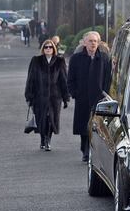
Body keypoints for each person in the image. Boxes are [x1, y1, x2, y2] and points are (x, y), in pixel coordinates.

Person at [67, 31, 112, 162]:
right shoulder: (76, 58)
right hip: (82, 98)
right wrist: (74, 93)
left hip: (99, 99)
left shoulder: (103, 58)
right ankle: (85, 151)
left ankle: (95, 151)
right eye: (90, 41)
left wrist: (105, 93)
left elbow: (108, 78)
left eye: (95, 41)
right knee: (83, 127)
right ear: (85, 43)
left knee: (97, 126)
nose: (93, 44)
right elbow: (70, 79)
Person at [25, 39, 70, 151]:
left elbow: (64, 80)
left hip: (55, 97)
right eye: (46, 47)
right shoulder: (36, 61)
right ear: (43, 49)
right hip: (39, 96)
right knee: (42, 119)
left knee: (51, 119)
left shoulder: (60, 61)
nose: (48, 49)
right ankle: (42, 139)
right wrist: (29, 96)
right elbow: (30, 79)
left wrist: (65, 98)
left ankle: (48, 140)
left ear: (54, 48)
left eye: (50, 47)